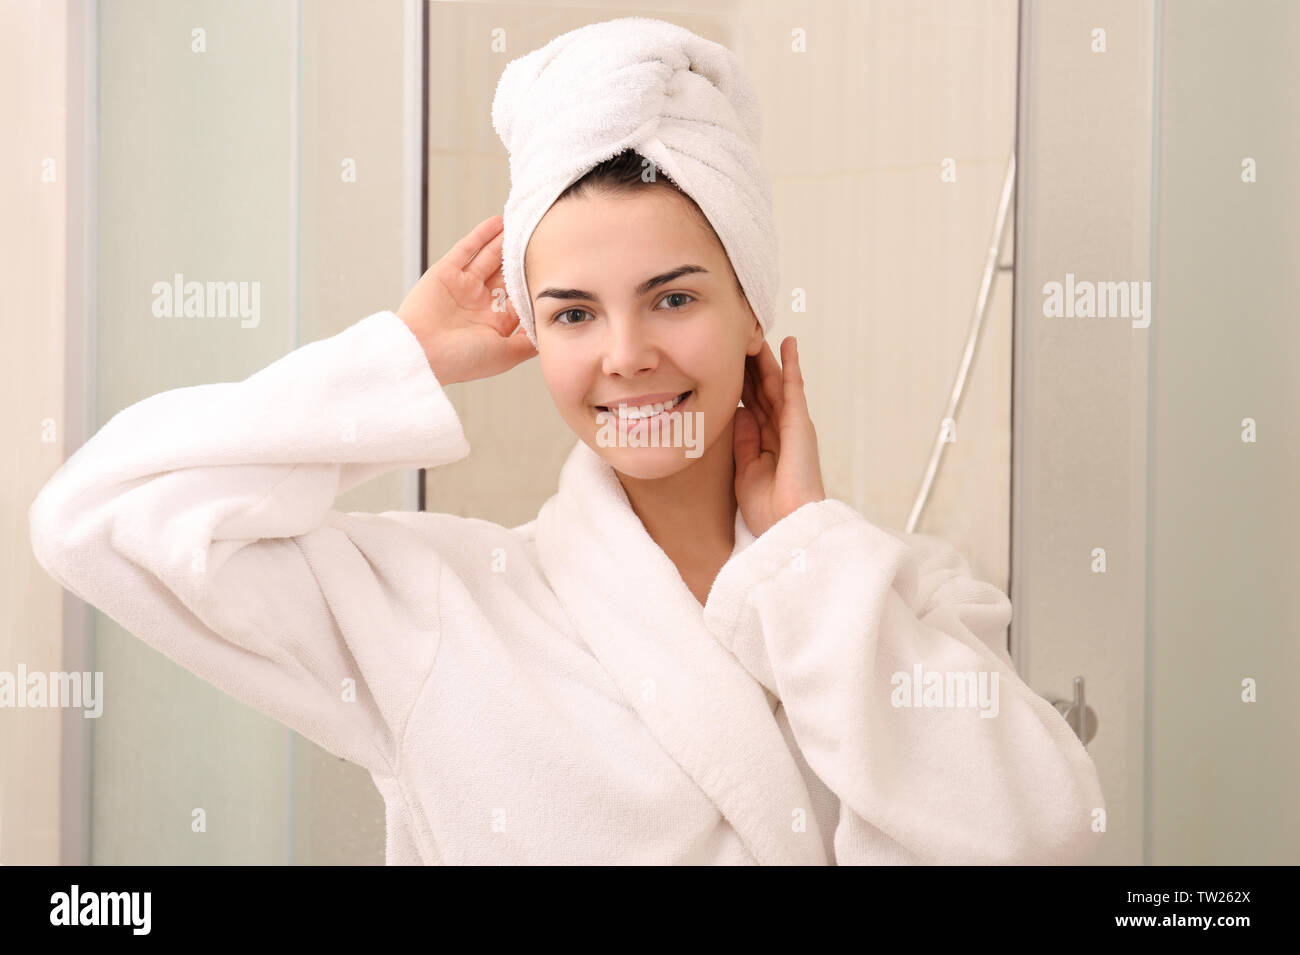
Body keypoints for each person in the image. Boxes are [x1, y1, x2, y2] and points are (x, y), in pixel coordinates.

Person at [29, 17, 1106, 865]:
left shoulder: (906, 598)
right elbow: (98, 520)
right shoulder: (439, 608)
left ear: (751, 314)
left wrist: (806, 558)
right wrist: (403, 356)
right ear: (534, 332)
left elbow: (1038, 835)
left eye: (673, 297)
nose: (625, 354)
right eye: (575, 313)